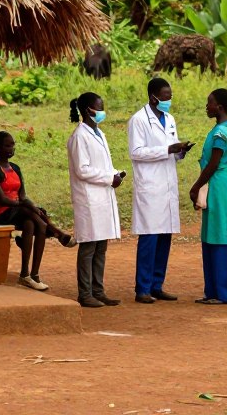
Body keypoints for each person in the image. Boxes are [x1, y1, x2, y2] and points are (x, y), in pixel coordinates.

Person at [0, 131, 76, 291]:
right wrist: (23, 206)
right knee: (37, 220)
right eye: (7, 145)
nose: (11, 148)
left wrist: (32, 207)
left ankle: (29, 274)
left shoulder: (15, 168)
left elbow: (22, 196)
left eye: (13, 144)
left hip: (16, 210)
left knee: (32, 222)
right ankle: (57, 232)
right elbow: (0, 199)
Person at [128, 77, 193, 304]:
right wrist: (166, 149)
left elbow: (171, 151)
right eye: (165, 96)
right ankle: (142, 288)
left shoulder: (170, 119)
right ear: (153, 96)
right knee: (150, 237)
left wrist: (179, 151)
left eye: (170, 96)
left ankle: (157, 284)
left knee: (165, 236)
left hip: (167, 184)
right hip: (150, 186)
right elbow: (136, 152)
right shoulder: (138, 120)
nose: (168, 100)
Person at [67, 92, 125, 308]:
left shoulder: (98, 133)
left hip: (102, 194)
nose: (102, 111)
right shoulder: (79, 137)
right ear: (87, 111)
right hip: (88, 198)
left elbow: (101, 164)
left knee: (101, 245)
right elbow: (82, 170)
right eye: (99, 108)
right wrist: (109, 178)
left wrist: (116, 174)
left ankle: (98, 291)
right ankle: (85, 293)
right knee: (89, 246)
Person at [189, 88, 227, 305]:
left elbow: (214, 162)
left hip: (218, 185)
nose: (206, 106)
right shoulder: (222, 128)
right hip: (217, 183)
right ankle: (212, 291)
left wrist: (196, 185)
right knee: (210, 236)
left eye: (209, 103)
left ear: (219, 107)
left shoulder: (221, 132)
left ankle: (223, 293)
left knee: (219, 236)